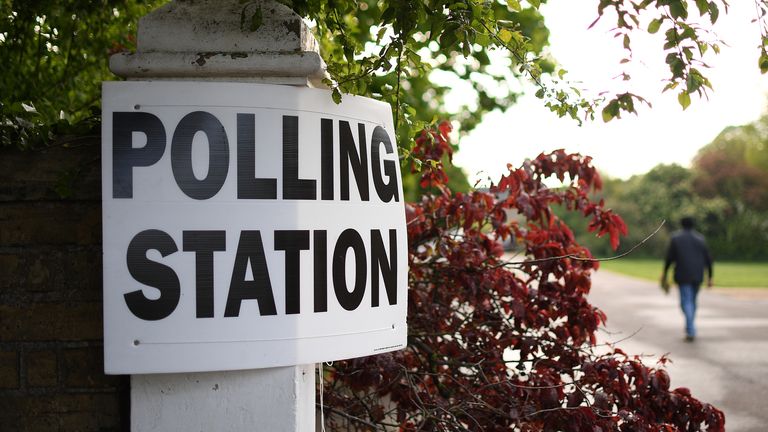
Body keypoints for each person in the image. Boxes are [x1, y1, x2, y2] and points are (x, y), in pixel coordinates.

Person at [661, 216, 713, 342]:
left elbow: (669, 258)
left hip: (682, 275)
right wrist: (710, 276)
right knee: (692, 301)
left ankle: (690, 329)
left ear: (681, 224)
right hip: (698, 275)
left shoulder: (675, 238)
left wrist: (665, 273)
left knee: (686, 302)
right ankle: (690, 326)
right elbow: (708, 259)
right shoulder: (700, 239)